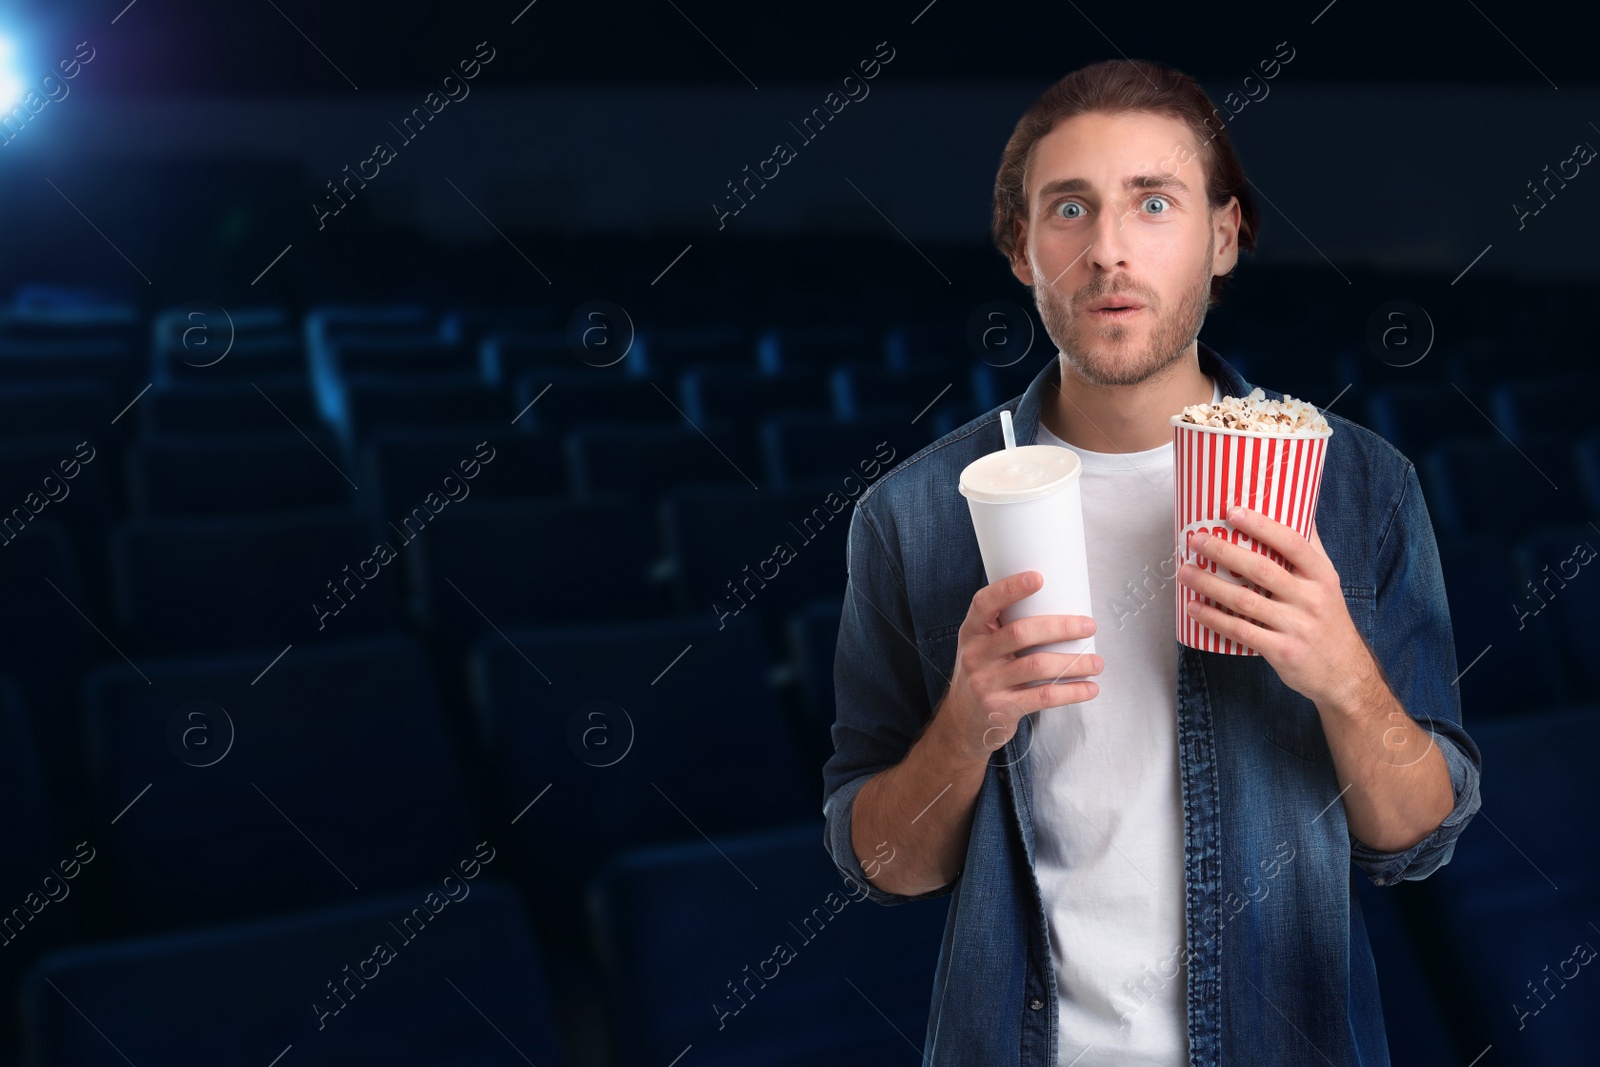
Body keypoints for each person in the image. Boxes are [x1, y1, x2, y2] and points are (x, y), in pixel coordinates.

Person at [821, 57, 1481, 1066]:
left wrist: (1344, 678)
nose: (1109, 251)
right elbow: (880, 864)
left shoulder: (1360, 488)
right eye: (1069, 209)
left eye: (1154, 202)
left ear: (1224, 235)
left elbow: (1416, 840)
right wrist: (964, 726)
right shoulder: (910, 514)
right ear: (1020, 250)